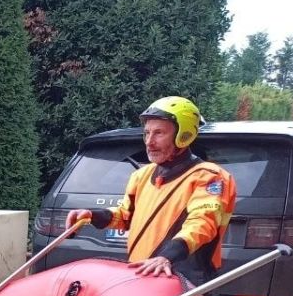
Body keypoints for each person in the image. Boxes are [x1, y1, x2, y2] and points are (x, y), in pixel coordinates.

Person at [66, 96, 237, 286]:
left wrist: (167, 257)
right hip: (142, 275)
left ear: (184, 135)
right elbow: (125, 216)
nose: (149, 141)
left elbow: (202, 224)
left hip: (185, 282)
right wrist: (91, 215)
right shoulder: (142, 175)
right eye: (146, 133)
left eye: (159, 133)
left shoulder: (209, 176)